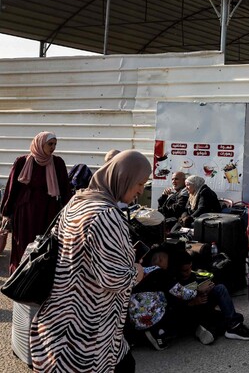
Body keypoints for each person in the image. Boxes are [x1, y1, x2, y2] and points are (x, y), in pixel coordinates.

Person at [29, 150, 151, 372]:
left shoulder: (78, 201)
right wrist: (137, 270)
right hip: (87, 332)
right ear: (123, 177)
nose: (141, 190)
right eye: (139, 183)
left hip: (61, 320)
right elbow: (114, 279)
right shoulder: (107, 215)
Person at [1, 131, 72, 273]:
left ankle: (38, 277)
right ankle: (20, 275)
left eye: (55, 144)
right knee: (23, 243)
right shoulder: (22, 161)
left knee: (44, 244)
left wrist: (69, 210)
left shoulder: (57, 163)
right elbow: (11, 189)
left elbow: (65, 189)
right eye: (50, 144)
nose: (53, 147)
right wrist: (6, 213)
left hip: (47, 211)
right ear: (40, 144)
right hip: (25, 211)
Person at [128, 248, 209, 350]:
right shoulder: (161, 273)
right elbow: (182, 294)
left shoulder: (138, 273)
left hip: (134, 320)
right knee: (175, 307)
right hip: (151, 319)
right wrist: (198, 290)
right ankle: (158, 333)